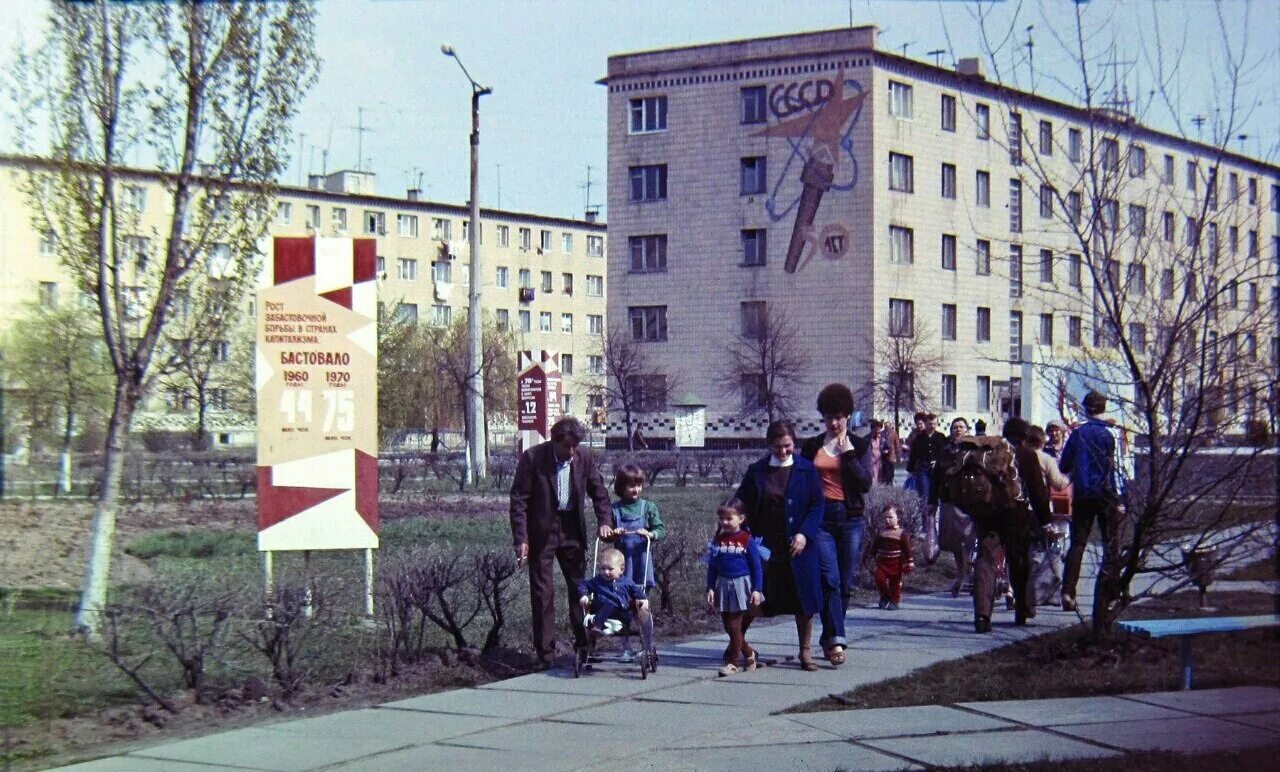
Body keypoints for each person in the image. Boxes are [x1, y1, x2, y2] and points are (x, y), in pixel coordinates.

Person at [510, 416, 613, 669]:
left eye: (575, 447)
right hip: (542, 533)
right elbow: (519, 500)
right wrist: (521, 538)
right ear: (554, 441)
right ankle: (546, 655)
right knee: (543, 594)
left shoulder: (584, 457)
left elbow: (599, 492)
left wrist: (605, 520)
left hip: (572, 531)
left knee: (581, 590)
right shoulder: (533, 458)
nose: (571, 452)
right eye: (566, 447)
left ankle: (585, 646)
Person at [732, 420, 825, 671]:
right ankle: (736, 645)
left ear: (794, 444)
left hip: (799, 547)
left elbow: (817, 505)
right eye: (777, 447)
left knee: (803, 600)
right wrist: (729, 521)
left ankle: (805, 652)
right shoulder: (757, 470)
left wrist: (805, 534)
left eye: (788, 446)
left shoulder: (806, 469)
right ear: (768, 445)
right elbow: (741, 500)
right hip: (766, 547)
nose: (783, 452)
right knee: (755, 599)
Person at [799, 383, 871, 666]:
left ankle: (830, 636)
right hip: (822, 519)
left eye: (839, 416)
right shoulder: (813, 446)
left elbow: (865, 483)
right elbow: (801, 479)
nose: (834, 422)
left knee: (845, 583)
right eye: (829, 416)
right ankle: (836, 642)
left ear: (848, 416)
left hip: (851, 518)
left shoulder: (860, 445)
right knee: (829, 580)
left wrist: (849, 454)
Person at [969, 417, 1052, 632]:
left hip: (988, 514)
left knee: (985, 560)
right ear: (1025, 436)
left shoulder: (990, 452)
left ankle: (982, 615)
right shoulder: (1026, 455)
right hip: (1017, 514)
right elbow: (1037, 491)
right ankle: (1022, 609)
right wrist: (1045, 521)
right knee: (1019, 561)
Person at [1058, 390, 1122, 613]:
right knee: (1111, 544)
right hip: (1107, 493)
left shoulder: (1078, 434)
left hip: (1084, 493)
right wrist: (1121, 497)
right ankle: (1112, 593)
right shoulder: (1112, 434)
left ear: (1086, 409)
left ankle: (1068, 591)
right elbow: (1121, 468)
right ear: (1104, 408)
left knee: (1078, 543)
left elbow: (1064, 465)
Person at [705, 501, 765, 676]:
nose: (724, 522)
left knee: (734, 624)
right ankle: (749, 653)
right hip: (722, 585)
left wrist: (757, 589)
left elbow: (756, 566)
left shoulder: (747, 540)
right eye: (721, 518)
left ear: (741, 519)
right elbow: (712, 566)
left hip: (741, 585)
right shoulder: (718, 540)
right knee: (729, 625)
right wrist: (710, 587)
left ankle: (733, 662)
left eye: (729, 518)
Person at [577, 548, 653, 655]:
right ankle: (596, 629)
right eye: (602, 568)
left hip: (621, 613)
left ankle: (645, 647)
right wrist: (584, 595)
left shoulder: (627, 582)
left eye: (610, 569)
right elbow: (584, 585)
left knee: (632, 610)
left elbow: (638, 593)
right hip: (601, 612)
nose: (605, 572)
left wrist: (643, 600)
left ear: (621, 570)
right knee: (608, 603)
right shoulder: (597, 581)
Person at [607, 464, 666, 588]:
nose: (636, 489)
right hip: (621, 563)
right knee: (622, 596)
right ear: (621, 487)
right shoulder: (614, 509)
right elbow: (606, 535)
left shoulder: (648, 507)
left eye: (639, 486)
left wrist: (650, 534)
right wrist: (614, 534)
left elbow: (660, 530)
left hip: (642, 562)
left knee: (642, 599)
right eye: (632, 486)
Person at [936, 417, 975, 595]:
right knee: (954, 540)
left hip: (969, 501)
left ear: (967, 430)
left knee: (969, 537)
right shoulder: (945, 451)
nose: (958, 429)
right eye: (955, 427)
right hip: (949, 499)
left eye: (961, 427)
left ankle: (971, 571)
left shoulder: (974, 450)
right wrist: (931, 501)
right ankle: (962, 571)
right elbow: (936, 476)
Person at [906, 412, 946, 562]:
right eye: (929, 424)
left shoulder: (942, 438)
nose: (932, 426)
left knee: (939, 498)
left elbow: (946, 453)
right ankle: (926, 526)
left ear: (937, 424)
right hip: (923, 470)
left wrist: (939, 461)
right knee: (925, 497)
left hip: (938, 471)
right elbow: (913, 455)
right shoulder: (919, 438)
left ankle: (938, 525)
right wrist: (910, 470)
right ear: (926, 424)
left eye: (934, 424)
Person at [872, 503, 914, 610]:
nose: (887, 520)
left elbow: (907, 549)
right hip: (882, 563)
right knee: (879, 578)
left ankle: (894, 601)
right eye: (885, 517)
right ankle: (885, 596)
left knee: (894, 584)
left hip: (896, 564)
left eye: (890, 517)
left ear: (898, 518)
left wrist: (910, 561)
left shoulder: (901, 534)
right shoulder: (881, 532)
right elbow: (875, 546)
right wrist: (870, 555)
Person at [865, 418, 898, 485]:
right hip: (871, 463)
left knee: (882, 480)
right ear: (872, 429)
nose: (878, 431)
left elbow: (889, 448)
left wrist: (887, 451)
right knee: (873, 481)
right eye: (876, 430)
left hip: (881, 462)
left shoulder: (882, 438)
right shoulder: (867, 439)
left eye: (879, 429)